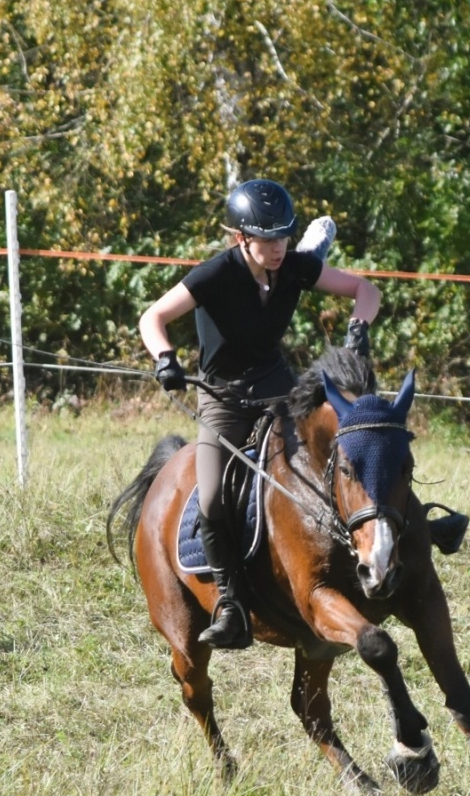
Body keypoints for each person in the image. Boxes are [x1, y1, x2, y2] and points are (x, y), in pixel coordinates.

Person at [138, 178, 382, 649]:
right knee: (211, 498)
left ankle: (406, 532)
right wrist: (165, 358)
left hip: (280, 392)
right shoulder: (215, 274)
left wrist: (358, 327)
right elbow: (153, 318)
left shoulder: (294, 267)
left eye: (284, 237)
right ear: (240, 238)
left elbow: (364, 291)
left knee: (346, 445)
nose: (277, 249)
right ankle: (230, 602)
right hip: (223, 400)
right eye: (267, 240)